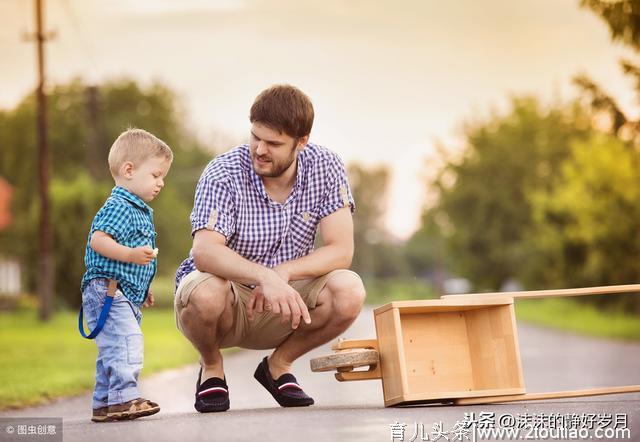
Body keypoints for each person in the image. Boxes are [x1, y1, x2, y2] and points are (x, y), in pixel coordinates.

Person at [174, 84, 366, 412]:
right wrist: (263, 276)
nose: (260, 149)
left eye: (273, 143)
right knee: (205, 293)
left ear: (301, 142)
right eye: (255, 137)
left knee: (349, 291)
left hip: (286, 302)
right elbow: (204, 252)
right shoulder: (222, 172)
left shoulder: (326, 166)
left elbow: (340, 250)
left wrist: (283, 273)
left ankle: (278, 366)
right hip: (228, 302)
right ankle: (212, 369)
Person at [80, 128, 172, 422]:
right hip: (106, 290)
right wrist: (131, 254)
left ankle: (105, 403)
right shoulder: (120, 205)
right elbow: (98, 240)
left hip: (120, 290)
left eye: (162, 177)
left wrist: (141, 287)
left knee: (113, 348)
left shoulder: (138, 209)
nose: (161, 183)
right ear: (129, 170)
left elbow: (132, 260)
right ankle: (125, 399)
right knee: (127, 342)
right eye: (156, 175)